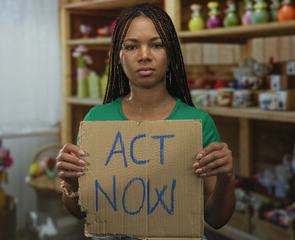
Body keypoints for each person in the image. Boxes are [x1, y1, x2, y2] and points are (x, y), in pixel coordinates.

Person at [56, 3, 235, 239]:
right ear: (118, 56)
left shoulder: (197, 122)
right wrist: (71, 185)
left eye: (157, 45)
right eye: (131, 46)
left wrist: (226, 178)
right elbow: (80, 213)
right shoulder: (96, 120)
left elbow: (216, 219)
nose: (144, 56)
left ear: (170, 53)